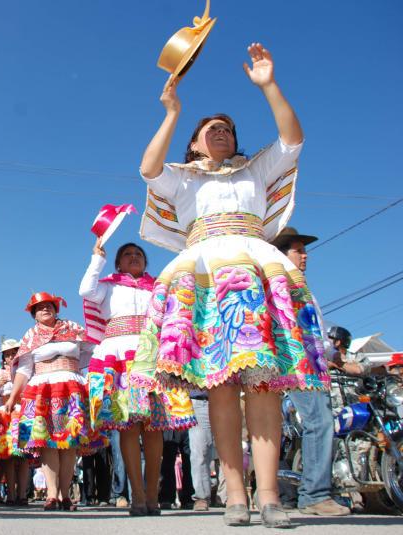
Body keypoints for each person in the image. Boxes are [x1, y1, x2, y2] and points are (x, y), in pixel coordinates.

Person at [138, 43, 329, 528]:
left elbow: (292, 140)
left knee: (263, 386)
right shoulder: (182, 179)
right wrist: (172, 112)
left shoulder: (254, 169)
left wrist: (269, 85)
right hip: (204, 273)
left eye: (227, 128)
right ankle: (236, 495)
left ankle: (270, 496)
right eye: (211, 129)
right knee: (221, 388)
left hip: (254, 267)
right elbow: (149, 170)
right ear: (195, 144)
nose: (222, 132)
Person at [81, 240, 195, 515]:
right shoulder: (108, 286)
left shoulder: (157, 287)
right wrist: (97, 259)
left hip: (150, 355)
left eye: (139, 254)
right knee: (128, 426)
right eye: (127, 254)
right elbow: (85, 290)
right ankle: (138, 497)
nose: (134, 257)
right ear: (118, 263)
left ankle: (153, 495)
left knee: (154, 426)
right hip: (118, 357)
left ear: (145, 262)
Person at [272, 227, 350, 516]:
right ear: (282, 255)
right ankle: (314, 495)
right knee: (319, 422)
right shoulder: (282, 283)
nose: (304, 256)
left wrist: (333, 356)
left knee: (323, 423)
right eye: (298, 250)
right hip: (298, 364)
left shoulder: (301, 286)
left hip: (314, 364)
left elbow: (314, 330)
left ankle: (319, 490)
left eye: (304, 251)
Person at [5, 292, 98, 512]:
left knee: (69, 442)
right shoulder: (30, 336)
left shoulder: (72, 328)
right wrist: (12, 396)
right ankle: (52, 494)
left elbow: (94, 352)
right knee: (47, 442)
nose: (44, 309)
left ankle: (65, 495)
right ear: (34, 315)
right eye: (39, 308)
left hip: (71, 388)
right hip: (42, 390)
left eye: (49, 306)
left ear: (56, 309)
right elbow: (24, 369)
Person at [0, 339, 31, 506]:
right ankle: (11, 494)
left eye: (13, 353)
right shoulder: (0, 374)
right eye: (7, 354)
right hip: (6, 416)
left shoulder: (27, 370)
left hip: (23, 414)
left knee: (24, 456)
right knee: (8, 455)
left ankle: (22, 494)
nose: (10, 357)